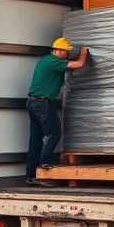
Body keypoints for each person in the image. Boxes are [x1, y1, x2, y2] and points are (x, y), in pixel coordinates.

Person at [26, 37, 88, 185]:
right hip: (42, 103)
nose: (67, 54)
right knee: (54, 133)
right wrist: (85, 51)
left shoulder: (47, 61)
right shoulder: (53, 61)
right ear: (58, 51)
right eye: (66, 52)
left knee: (35, 139)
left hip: (33, 102)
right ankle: (44, 165)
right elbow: (79, 64)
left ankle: (31, 175)